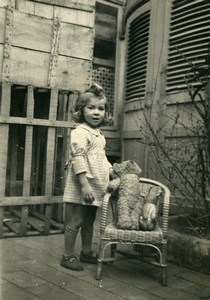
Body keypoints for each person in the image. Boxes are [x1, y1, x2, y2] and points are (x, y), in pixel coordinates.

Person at [60, 83, 113, 271]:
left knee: (90, 220)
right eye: (91, 108)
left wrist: (110, 171)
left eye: (101, 108)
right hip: (83, 184)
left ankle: (86, 251)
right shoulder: (80, 132)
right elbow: (79, 158)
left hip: (95, 184)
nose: (96, 112)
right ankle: (67, 255)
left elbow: (101, 159)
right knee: (77, 220)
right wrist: (84, 185)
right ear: (81, 111)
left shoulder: (98, 134)